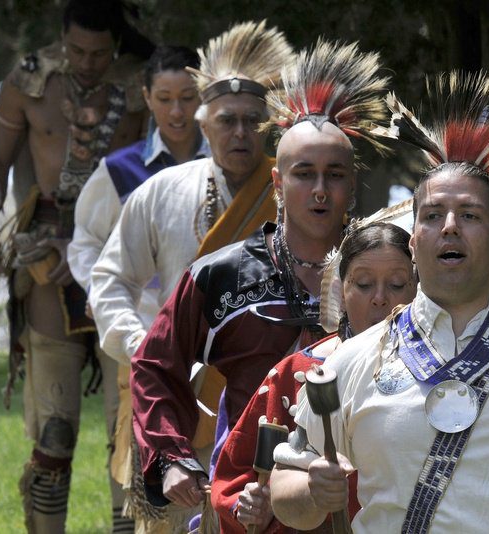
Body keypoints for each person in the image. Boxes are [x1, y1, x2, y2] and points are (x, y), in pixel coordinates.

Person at [270, 71, 489, 533]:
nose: (449, 227)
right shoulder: (356, 360)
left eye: (469, 214)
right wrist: (310, 493)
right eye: (433, 215)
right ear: (414, 242)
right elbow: (288, 491)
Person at [126, 39, 390, 530]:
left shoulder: (389, 269)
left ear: (352, 184)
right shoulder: (221, 276)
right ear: (276, 182)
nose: (318, 190)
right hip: (248, 498)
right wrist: (169, 457)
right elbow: (154, 363)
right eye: (303, 174)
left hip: (368, 495)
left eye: (334, 175)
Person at [89, 20, 293, 532]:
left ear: (269, 127)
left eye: (252, 121)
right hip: (176, 398)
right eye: (227, 121)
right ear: (205, 127)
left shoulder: (298, 193)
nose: (240, 133)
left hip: (268, 402)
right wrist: (141, 344)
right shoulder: (162, 191)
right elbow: (111, 278)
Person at [0, 1, 153, 531]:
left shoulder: (142, 86)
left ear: (115, 46)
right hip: (45, 263)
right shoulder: (29, 81)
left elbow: (160, 170)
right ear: (61, 39)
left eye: (98, 53)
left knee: (128, 426)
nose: (87, 63)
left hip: (123, 260)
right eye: (76, 51)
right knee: (55, 430)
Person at [66, 44, 208, 533]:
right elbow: (85, 244)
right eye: (164, 97)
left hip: (211, 344)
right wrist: (107, 299)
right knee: (127, 444)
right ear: (146, 98)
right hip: (137, 337)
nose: (177, 110)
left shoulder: (239, 171)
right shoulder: (122, 170)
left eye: (188, 97)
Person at [212, 221, 417, 533]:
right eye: (363, 284)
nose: (380, 298)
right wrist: (252, 502)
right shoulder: (293, 375)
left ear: (418, 288)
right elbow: (236, 474)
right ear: (340, 290)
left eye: (397, 284)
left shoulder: (440, 373)